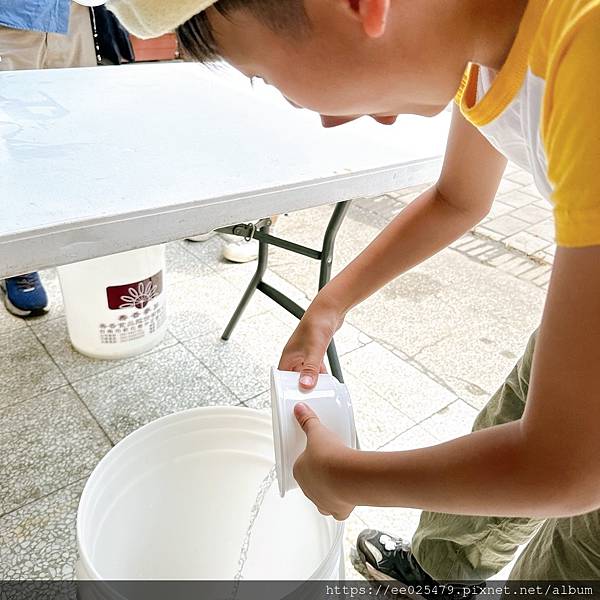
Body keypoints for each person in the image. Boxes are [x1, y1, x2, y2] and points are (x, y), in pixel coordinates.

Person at [109, 0, 600, 589]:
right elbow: (458, 199)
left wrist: (351, 477)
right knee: (525, 402)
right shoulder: (485, 45)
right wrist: (328, 307)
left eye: (266, 77)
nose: (321, 120)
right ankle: (437, 572)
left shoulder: (587, 47)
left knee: (580, 545)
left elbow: (568, 467)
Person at [0, 0, 97, 317]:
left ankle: (75, 237)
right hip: (11, 17)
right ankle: (16, 260)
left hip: (74, 12)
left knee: (74, 126)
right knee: (11, 135)